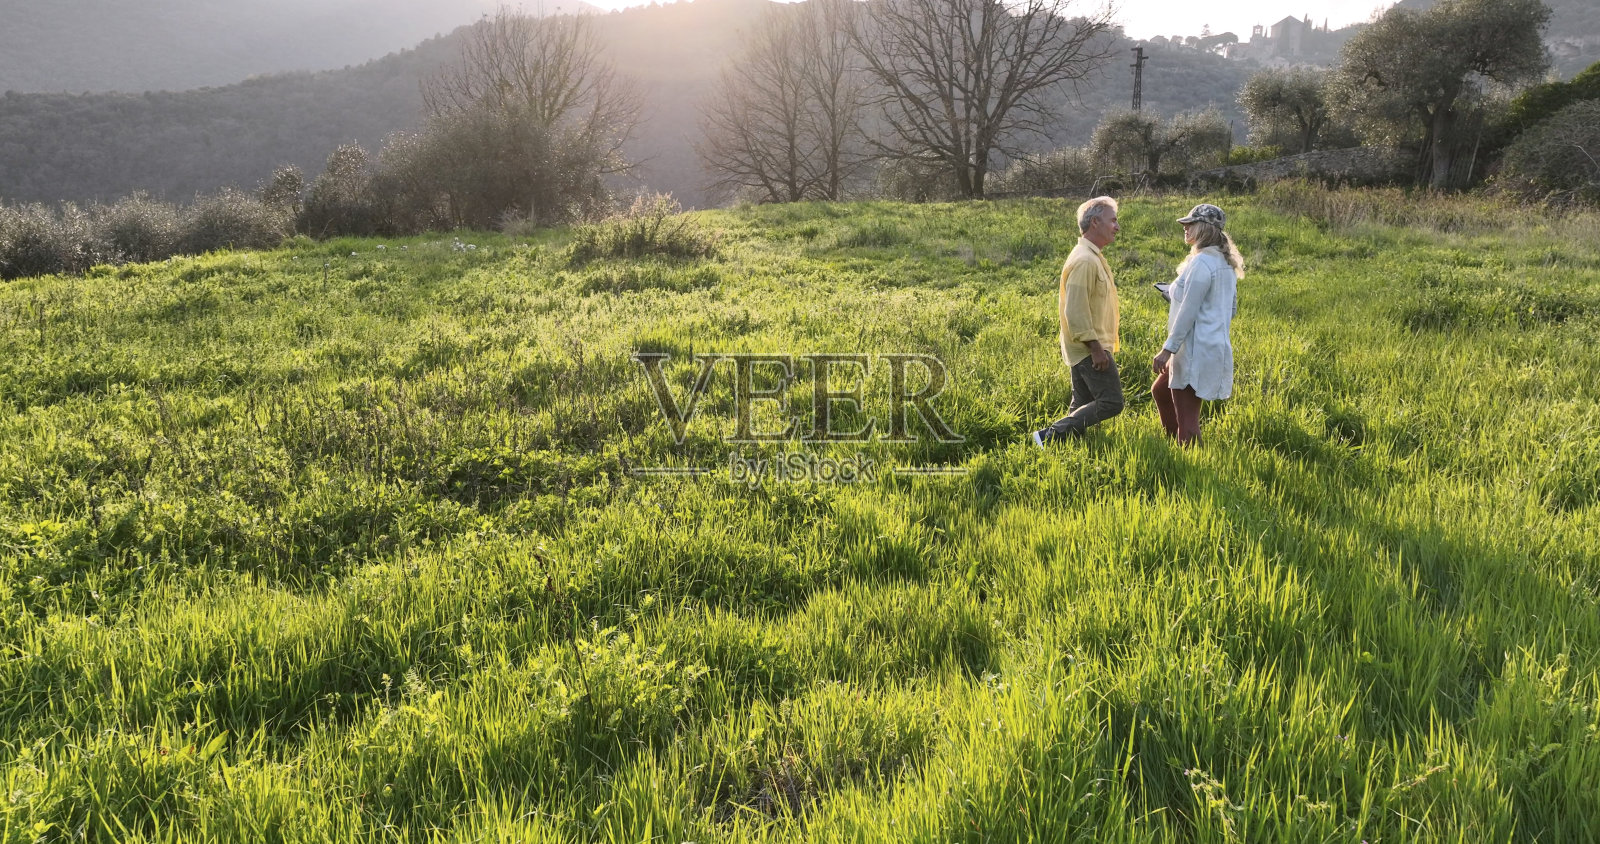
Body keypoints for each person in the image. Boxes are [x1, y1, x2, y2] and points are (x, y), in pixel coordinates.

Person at [1032, 195, 1123, 445]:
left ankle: (1060, 447)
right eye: (1112, 220)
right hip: (1088, 347)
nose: (1117, 226)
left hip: (1085, 345)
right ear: (1095, 222)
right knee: (1111, 402)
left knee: (1081, 404)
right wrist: (1096, 349)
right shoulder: (1084, 260)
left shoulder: (1090, 255)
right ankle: (1047, 436)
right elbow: (1076, 310)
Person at [1151, 203, 1242, 446]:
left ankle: (1191, 469)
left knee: (1188, 426)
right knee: (1160, 391)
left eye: (1190, 224)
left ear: (1203, 228)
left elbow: (1188, 312)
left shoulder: (1202, 263)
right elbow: (1230, 309)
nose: (1185, 227)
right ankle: (1172, 444)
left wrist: (1167, 350)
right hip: (1210, 347)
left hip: (1193, 351)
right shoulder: (1225, 263)